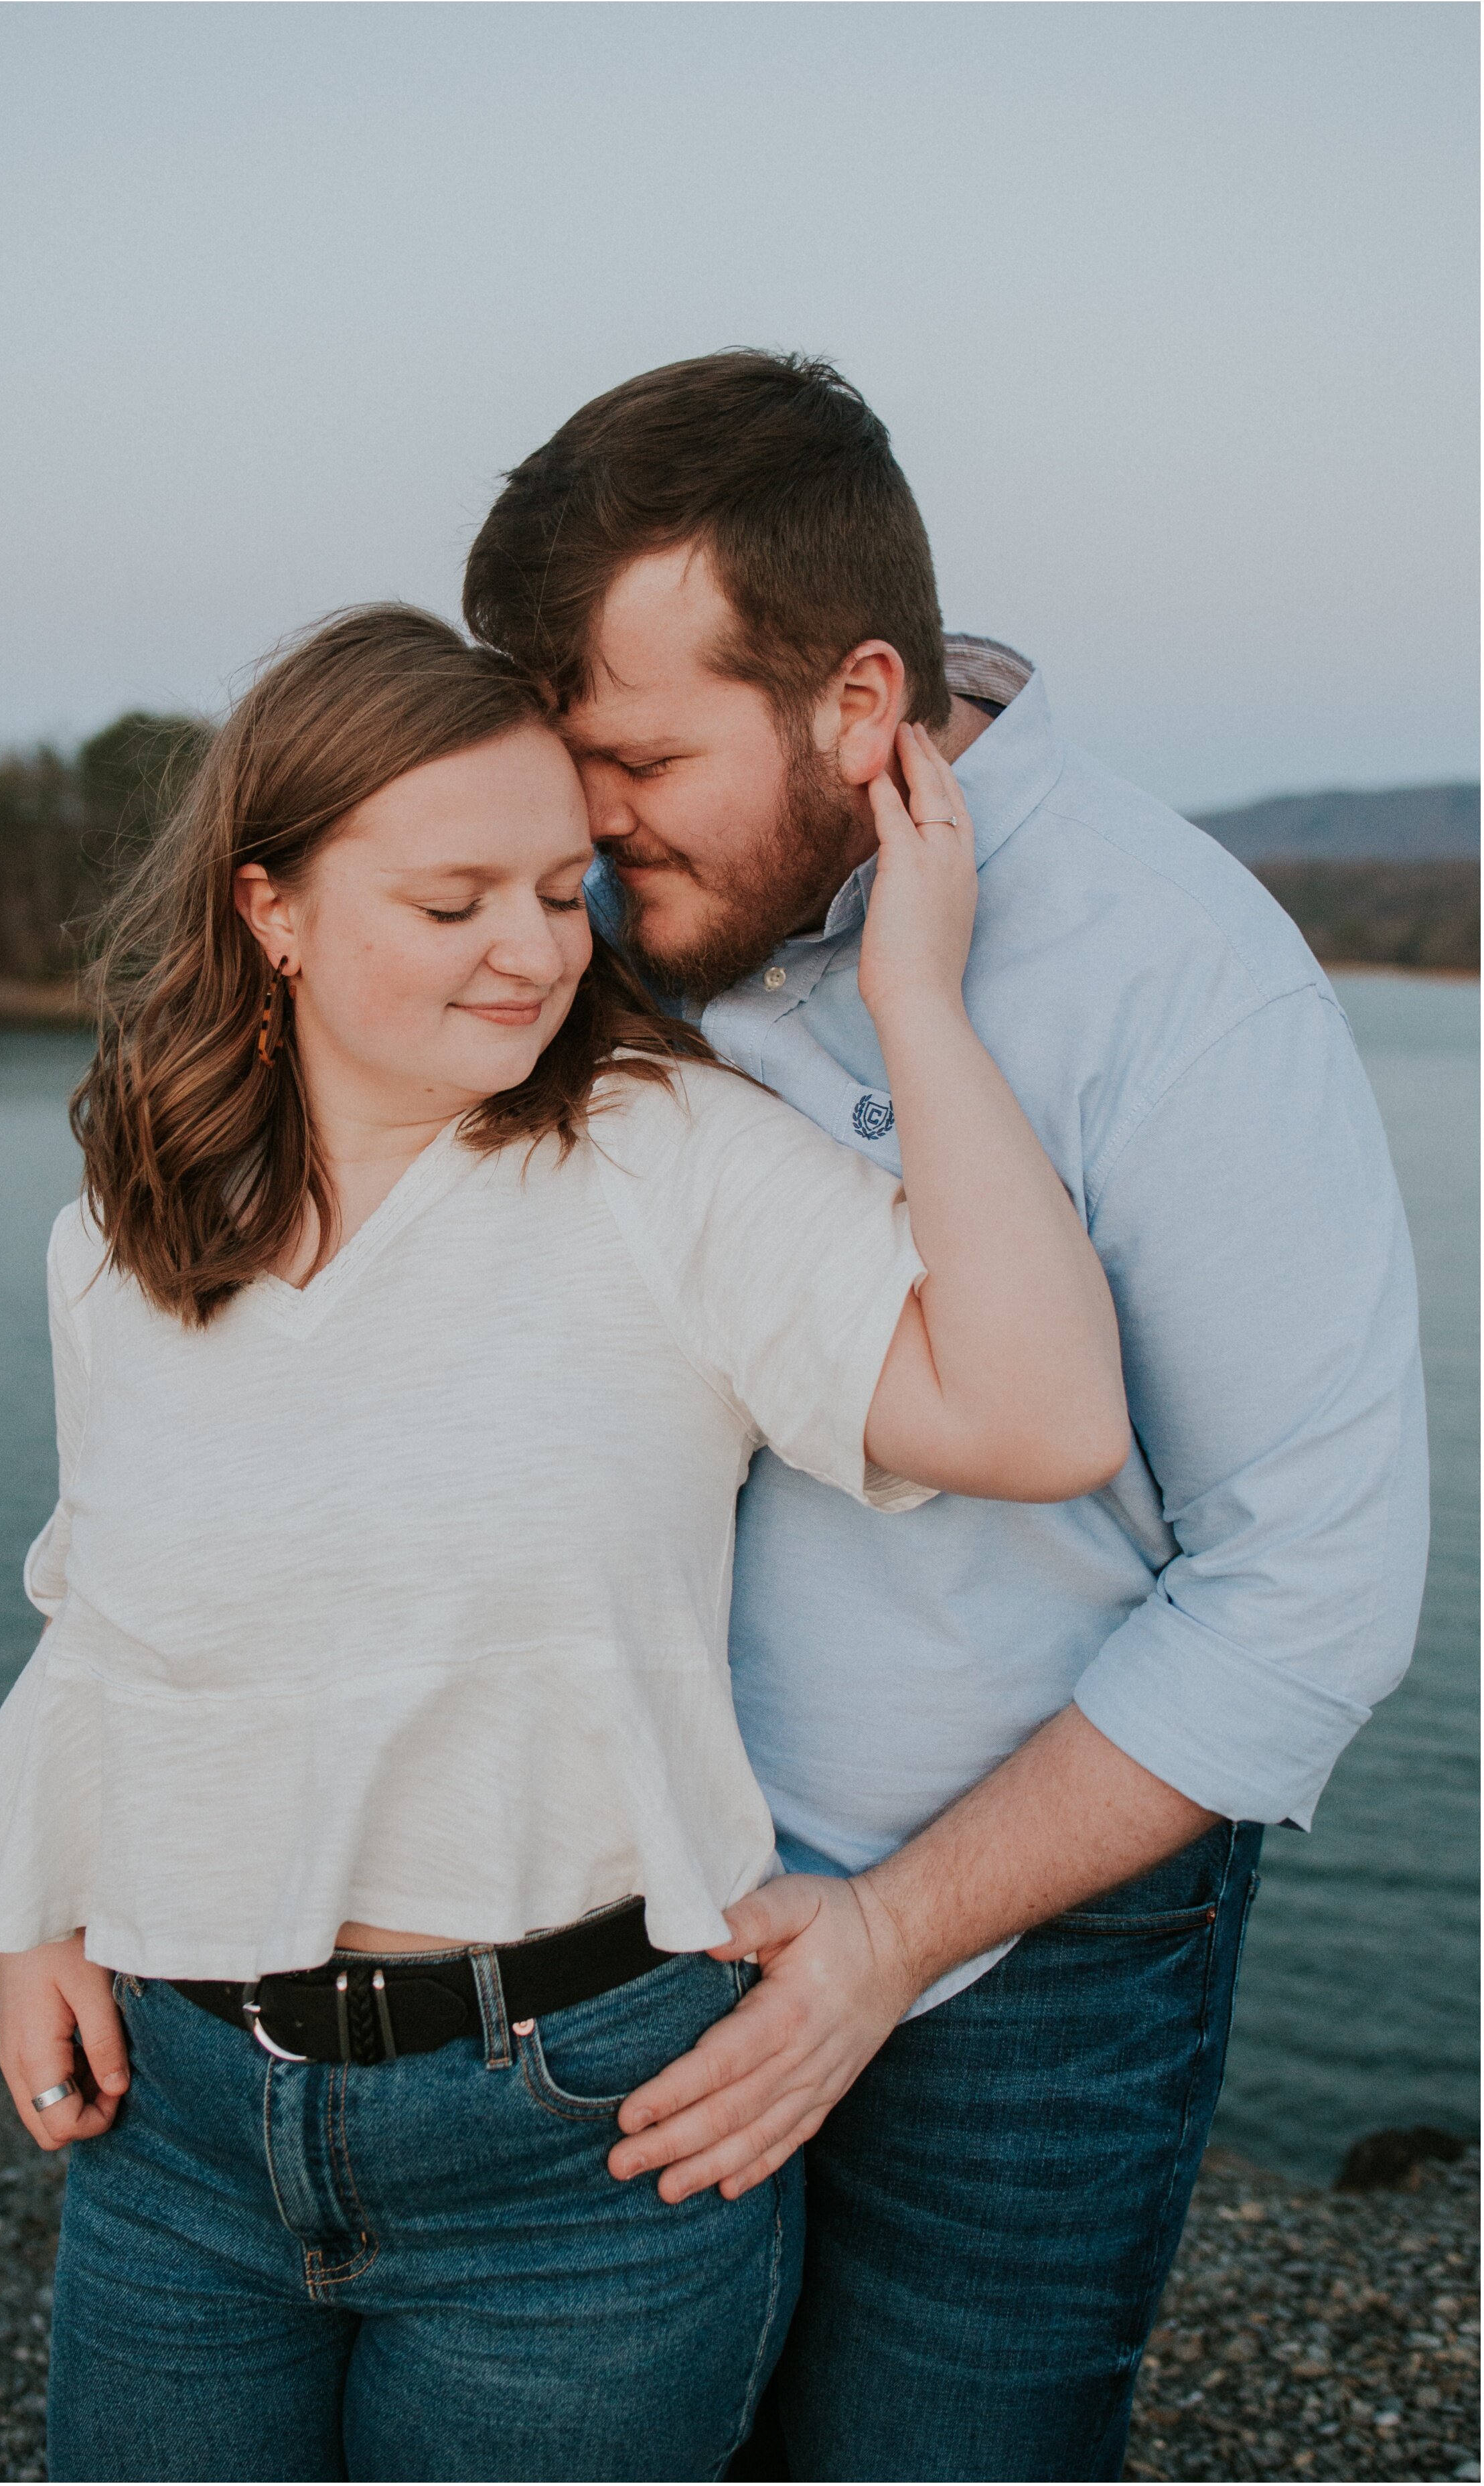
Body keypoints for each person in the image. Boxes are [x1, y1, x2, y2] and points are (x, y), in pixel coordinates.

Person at [0, 605, 1128, 2484]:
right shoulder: (132, 1219)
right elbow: (106, 1599)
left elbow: (1043, 1417)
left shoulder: (664, 1159)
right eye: (454, 898)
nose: (534, 951)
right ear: (274, 908)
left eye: (566, 891)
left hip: (572, 2143)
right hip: (177, 2130)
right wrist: (44, 1908)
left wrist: (919, 1001)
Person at [463, 350, 1430, 2484]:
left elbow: (1316, 1590)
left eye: (632, 756)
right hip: (617, 1930)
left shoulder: (1179, 976)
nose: (587, 828)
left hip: (1027, 1973)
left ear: (860, 699)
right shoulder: (587, 924)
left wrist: (897, 1933)